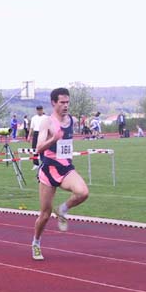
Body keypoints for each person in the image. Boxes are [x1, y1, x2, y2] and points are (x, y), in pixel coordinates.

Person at [31, 88, 89, 260]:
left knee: (83, 192)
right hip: (48, 170)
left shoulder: (71, 120)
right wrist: (54, 139)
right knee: (45, 214)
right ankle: (36, 243)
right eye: (62, 102)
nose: (65, 106)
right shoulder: (47, 122)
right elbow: (38, 148)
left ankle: (63, 209)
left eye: (67, 102)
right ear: (53, 103)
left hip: (65, 168)